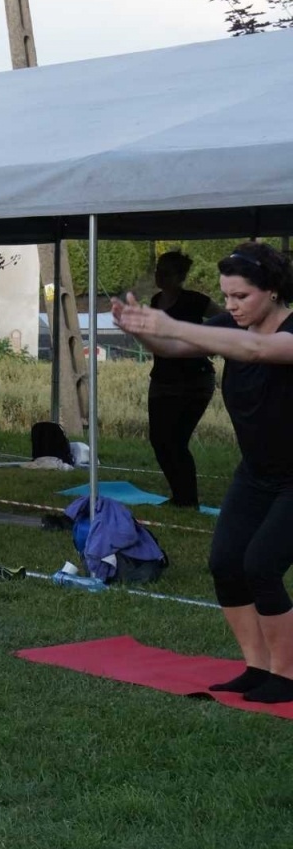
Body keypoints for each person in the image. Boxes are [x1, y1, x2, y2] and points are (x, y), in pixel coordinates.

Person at [114, 242, 293, 704]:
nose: (231, 306)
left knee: (262, 565)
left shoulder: (285, 332)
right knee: (226, 563)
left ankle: (286, 674)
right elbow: (175, 346)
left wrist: (174, 323)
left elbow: (256, 350)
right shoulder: (233, 325)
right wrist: (142, 330)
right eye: (226, 296)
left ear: (272, 291)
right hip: (257, 472)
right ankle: (256, 666)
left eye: (241, 297)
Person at [145, 251, 218, 508]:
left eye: (166, 272)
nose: (159, 276)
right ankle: (180, 495)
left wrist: (206, 341)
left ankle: (187, 499)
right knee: (159, 439)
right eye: (158, 270)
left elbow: (227, 321)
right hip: (162, 379)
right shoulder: (155, 301)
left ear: (181, 277)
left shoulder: (196, 301)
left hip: (194, 381)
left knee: (176, 440)